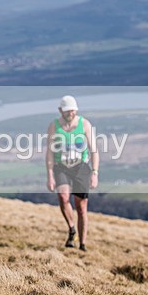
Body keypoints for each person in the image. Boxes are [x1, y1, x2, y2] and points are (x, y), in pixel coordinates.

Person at [45, 96, 99, 252]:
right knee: (63, 196)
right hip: (61, 166)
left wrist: (95, 172)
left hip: (81, 167)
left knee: (81, 207)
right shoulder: (54, 126)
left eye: (73, 110)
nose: (71, 113)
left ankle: (82, 244)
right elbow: (49, 152)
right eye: (68, 110)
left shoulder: (85, 125)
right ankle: (71, 228)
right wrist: (50, 174)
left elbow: (94, 151)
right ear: (60, 110)